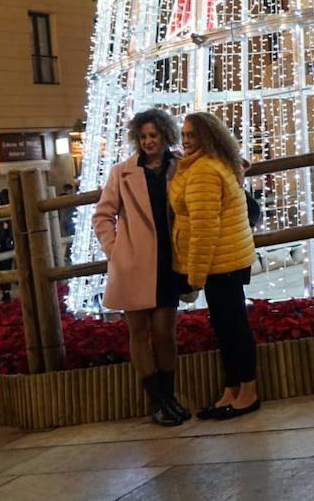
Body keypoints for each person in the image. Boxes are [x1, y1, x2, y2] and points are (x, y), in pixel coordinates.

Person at [93, 110, 190, 427]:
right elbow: (103, 216)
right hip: (133, 263)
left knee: (165, 333)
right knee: (138, 332)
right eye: (144, 136)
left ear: (165, 135)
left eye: (154, 135)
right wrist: (115, 250)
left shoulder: (180, 167)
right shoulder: (122, 172)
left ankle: (170, 396)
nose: (149, 142)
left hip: (169, 261)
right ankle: (158, 402)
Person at [171, 112, 258, 419]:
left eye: (192, 135)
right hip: (225, 258)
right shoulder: (205, 164)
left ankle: (246, 391)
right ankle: (232, 389)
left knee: (233, 326)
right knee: (226, 325)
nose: (185, 140)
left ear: (207, 137)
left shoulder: (204, 171)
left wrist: (194, 276)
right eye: (183, 135)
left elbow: (204, 227)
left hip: (220, 261)